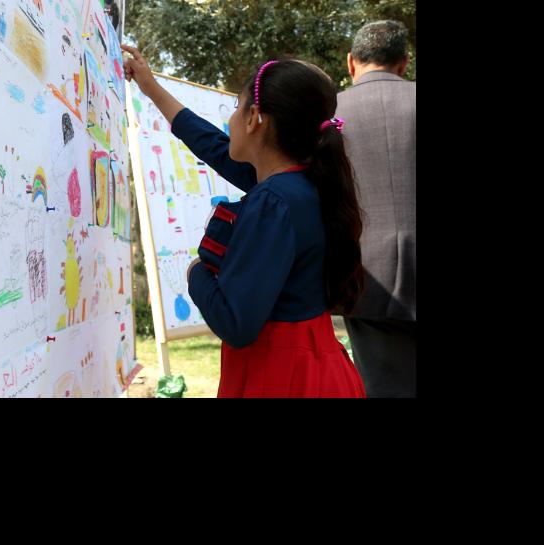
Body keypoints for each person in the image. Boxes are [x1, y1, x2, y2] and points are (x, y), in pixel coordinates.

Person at [123, 46, 366, 398]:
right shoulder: (306, 184)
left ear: (254, 119)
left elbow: (235, 322)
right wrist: (151, 87)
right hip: (316, 366)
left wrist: (196, 273)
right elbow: (212, 145)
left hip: (280, 376)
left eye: (236, 110)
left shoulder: (272, 200)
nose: (230, 121)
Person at [335, 20, 416, 397]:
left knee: (382, 387)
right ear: (404, 62)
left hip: (364, 275)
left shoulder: (327, 113)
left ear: (351, 62)